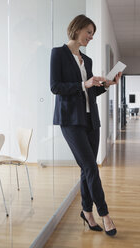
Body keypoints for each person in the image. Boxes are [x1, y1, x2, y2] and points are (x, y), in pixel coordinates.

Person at [50, 14, 121, 236]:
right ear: (77, 28)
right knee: (91, 167)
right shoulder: (58, 54)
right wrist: (84, 83)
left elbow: (90, 91)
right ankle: (105, 214)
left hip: (92, 119)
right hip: (70, 120)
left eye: (92, 34)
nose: (90, 37)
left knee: (86, 168)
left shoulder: (86, 60)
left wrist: (107, 84)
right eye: (88, 32)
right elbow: (55, 87)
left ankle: (86, 212)